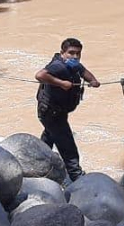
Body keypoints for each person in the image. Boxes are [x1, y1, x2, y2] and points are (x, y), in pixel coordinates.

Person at [35, 38, 100, 182]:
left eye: (78, 53)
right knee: (66, 143)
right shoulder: (58, 66)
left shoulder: (73, 64)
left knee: (49, 136)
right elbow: (40, 75)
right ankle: (76, 176)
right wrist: (61, 83)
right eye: (71, 53)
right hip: (50, 112)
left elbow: (84, 71)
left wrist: (93, 81)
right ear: (62, 53)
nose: (75, 56)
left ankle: (37, 164)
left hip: (58, 111)